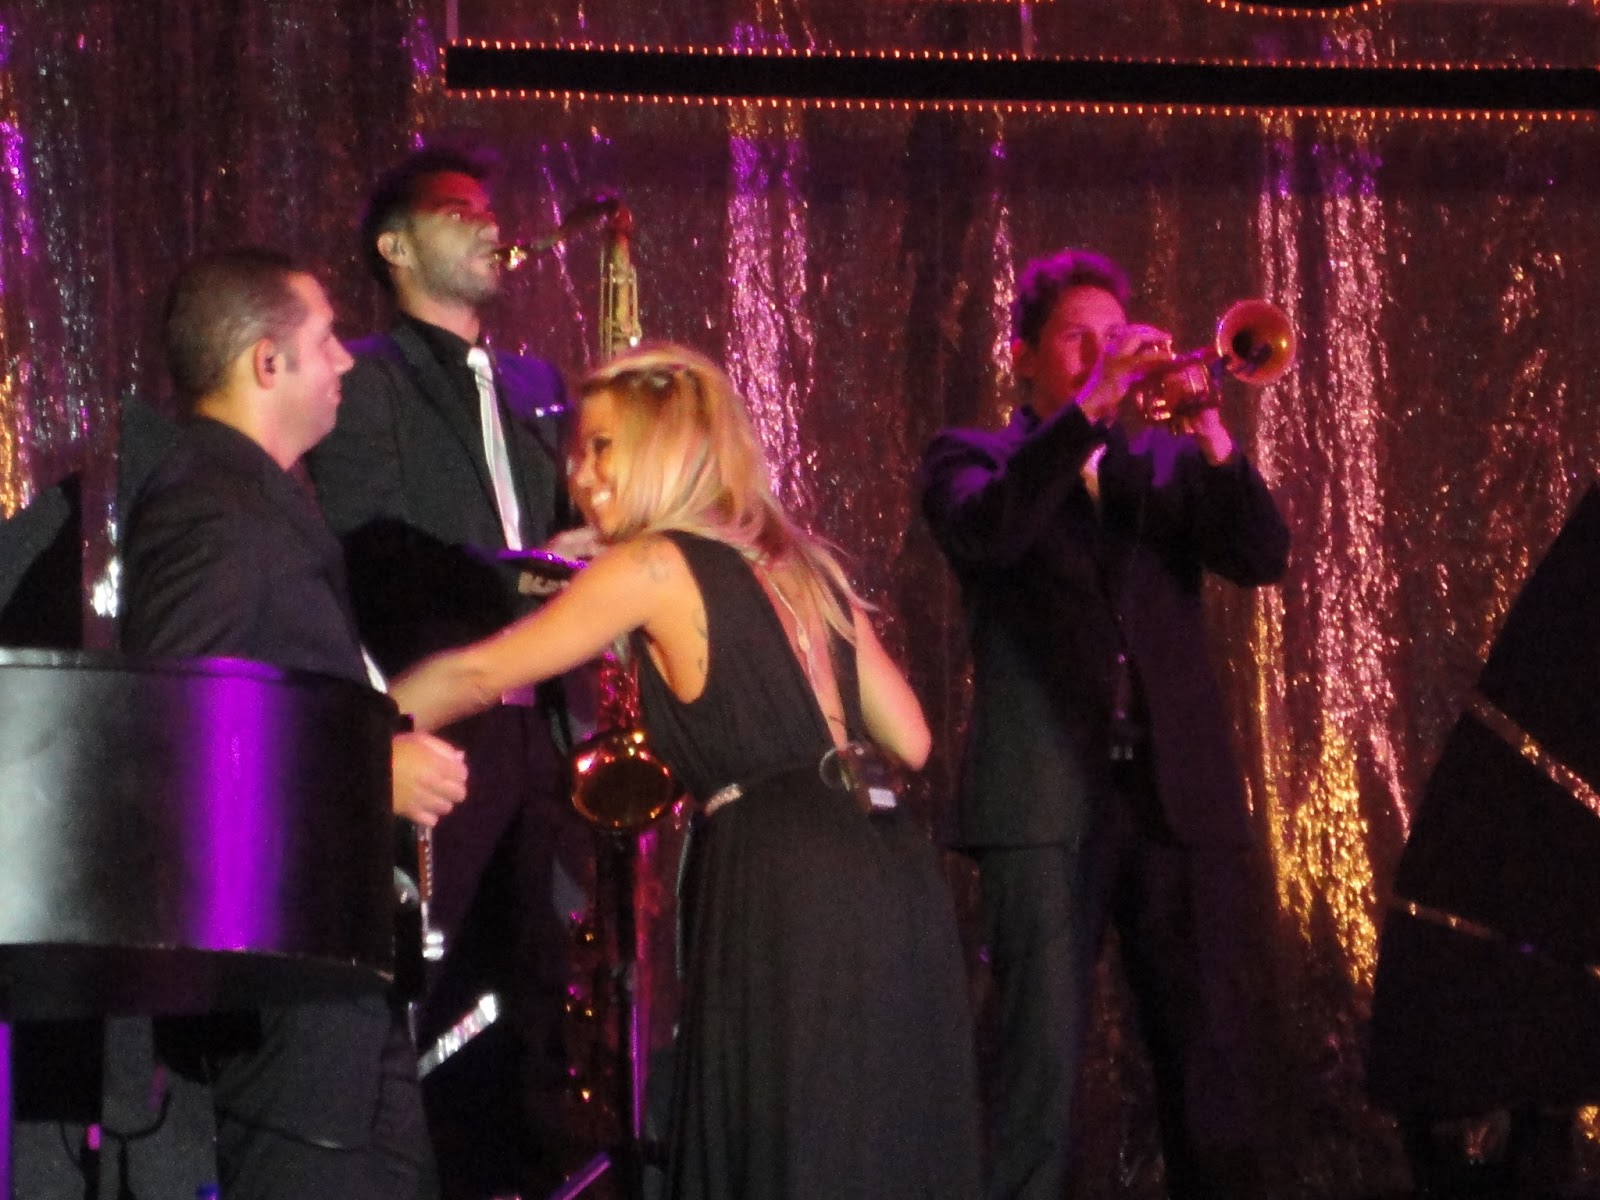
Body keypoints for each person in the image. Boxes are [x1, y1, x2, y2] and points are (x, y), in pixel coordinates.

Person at [389, 342, 983, 1200]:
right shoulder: (801, 564)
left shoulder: (655, 565)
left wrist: (357, 730)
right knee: (873, 1139)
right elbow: (913, 739)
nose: (580, 474)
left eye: (603, 448)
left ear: (664, 448)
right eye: (579, 452)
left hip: (782, 873)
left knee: (785, 1140)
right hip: (889, 867)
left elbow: (481, 673)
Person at [918, 248, 1290, 1200]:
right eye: (1078, 339)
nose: (1102, 355)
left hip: (1174, 800)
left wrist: (1211, 430)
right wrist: (1088, 412)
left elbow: (1261, 556)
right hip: (1044, 804)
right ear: (1023, 356)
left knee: (1210, 1070)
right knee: (1037, 1072)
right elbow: (988, 535)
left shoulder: (1164, 464)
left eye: (1114, 337)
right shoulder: (972, 458)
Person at [122, 246, 469, 1199]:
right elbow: (182, 736)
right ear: (265, 362)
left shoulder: (254, 501)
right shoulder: (210, 506)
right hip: (285, 985)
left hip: (332, 976)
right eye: (325, 341)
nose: (347, 359)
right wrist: (369, 772)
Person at [304, 145, 583, 1197]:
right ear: (395, 246)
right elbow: (379, 553)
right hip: (442, 727)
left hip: (539, 728)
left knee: (537, 988)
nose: (489, 226)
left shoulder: (536, 386)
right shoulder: (366, 378)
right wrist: (539, 578)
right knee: (445, 985)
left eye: (489, 210)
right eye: (458, 211)